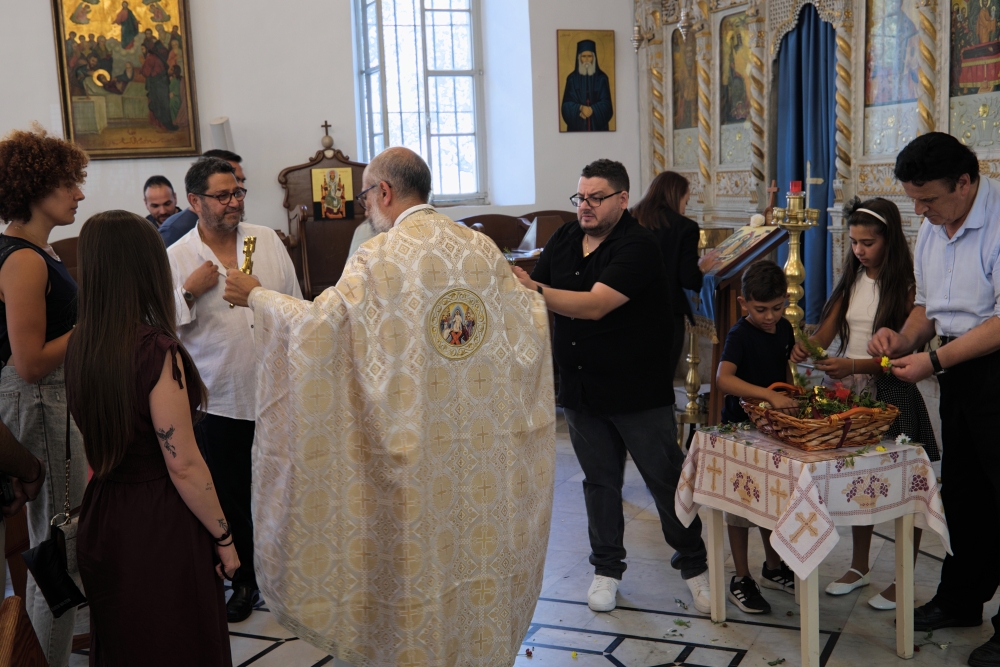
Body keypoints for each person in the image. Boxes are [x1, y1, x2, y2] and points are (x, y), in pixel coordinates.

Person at [222, 147, 554, 667]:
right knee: (469, 556)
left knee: (419, 562)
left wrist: (258, 295)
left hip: (415, 451)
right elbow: (526, 313)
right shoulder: (481, 248)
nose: (365, 208)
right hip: (477, 457)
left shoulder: (379, 256)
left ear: (385, 193)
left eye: (365, 197)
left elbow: (319, 329)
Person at [512, 159, 711, 614]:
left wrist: (532, 290)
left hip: (636, 388)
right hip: (582, 387)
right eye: (580, 197)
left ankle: (696, 569)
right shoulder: (564, 238)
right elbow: (536, 290)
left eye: (595, 198)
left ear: (622, 199)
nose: (585, 206)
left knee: (664, 479)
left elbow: (595, 305)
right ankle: (606, 570)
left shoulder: (638, 245)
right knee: (599, 482)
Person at [65, 211, 236, 666]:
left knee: (126, 643)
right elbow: (182, 463)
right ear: (147, 268)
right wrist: (224, 537)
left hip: (104, 514)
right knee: (175, 641)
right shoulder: (156, 351)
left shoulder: (80, 343)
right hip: (157, 520)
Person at [869, 132, 1000, 667]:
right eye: (913, 200)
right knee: (965, 490)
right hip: (958, 370)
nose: (920, 212)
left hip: (991, 365)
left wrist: (934, 361)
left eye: (929, 199)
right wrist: (905, 339)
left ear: (965, 182)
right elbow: (929, 305)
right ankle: (961, 599)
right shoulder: (932, 226)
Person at [167, 157, 300, 623]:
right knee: (231, 495)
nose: (234, 202)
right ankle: (243, 581)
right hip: (220, 398)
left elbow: (298, 310)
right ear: (195, 202)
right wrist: (188, 291)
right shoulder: (177, 256)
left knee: (281, 489)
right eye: (222, 195)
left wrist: (263, 294)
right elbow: (160, 329)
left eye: (238, 192)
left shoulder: (266, 241)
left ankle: (286, 578)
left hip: (276, 393)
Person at [792, 196, 938, 610]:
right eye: (854, 242)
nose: (859, 250)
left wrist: (853, 363)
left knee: (903, 489)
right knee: (860, 484)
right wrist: (806, 347)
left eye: (868, 242)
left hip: (891, 392)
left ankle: (903, 577)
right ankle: (859, 566)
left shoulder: (908, 287)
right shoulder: (852, 280)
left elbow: (902, 354)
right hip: (852, 394)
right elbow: (824, 335)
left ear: (889, 241)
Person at [0, 127, 89, 667]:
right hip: (40, 402)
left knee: (62, 549)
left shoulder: (36, 250)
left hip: (51, 401)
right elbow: (29, 363)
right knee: (59, 553)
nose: (79, 194)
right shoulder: (24, 259)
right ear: (36, 189)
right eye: (68, 184)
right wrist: (97, 321)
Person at [715, 260, 798, 614]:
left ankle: (773, 566)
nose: (769, 317)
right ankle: (742, 577)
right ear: (743, 304)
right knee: (741, 506)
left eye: (777, 308)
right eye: (760, 309)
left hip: (770, 429)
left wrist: (792, 392)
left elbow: (784, 371)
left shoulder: (784, 329)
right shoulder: (739, 334)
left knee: (770, 500)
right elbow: (724, 379)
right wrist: (767, 395)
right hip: (741, 430)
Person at [631, 171, 703, 379]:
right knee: (661, 379)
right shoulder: (685, 227)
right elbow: (689, 278)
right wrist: (703, 268)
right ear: (677, 196)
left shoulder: (628, 219)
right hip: (666, 313)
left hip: (626, 308)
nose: (685, 207)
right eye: (686, 201)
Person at [160, 149, 245, 247]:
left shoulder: (257, 234)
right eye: (222, 195)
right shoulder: (173, 231)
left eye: (241, 180)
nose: (241, 186)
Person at [561, 40, 613, 131]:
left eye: (589, 56)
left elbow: (607, 105)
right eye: (583, 56)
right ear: (579, 58)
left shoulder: (602, 78)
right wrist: (580, 108)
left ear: (594, 58)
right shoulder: (572, 79)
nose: (586, 60)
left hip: (599, 131)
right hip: (577, 130)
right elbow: (566, 105)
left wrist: (592, 110)